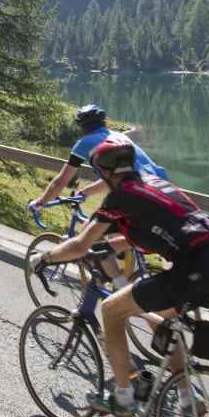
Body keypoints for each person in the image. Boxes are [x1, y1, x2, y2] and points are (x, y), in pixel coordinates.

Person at [29, 136, 209, 417]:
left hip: (191, 271)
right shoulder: (156, 185)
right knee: (163, 319)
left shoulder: (120, 197)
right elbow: (163, 227)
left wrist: (45, 258)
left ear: (105, 173)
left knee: (112, 310)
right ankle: (189, 398)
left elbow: (79, 245)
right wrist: (111, 245)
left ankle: (123, 398)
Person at [29, 104, 169, 286]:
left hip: (134, 197)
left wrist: (40, 202)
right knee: (118, 235)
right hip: (162, 192)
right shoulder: (119, 137)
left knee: (91, 235)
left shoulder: (85, 143)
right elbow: (119, 175)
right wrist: (85, 192)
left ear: (82, 126)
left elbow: (61, 181)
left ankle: (119, 287)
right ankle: (126, 270)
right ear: (104, 122)